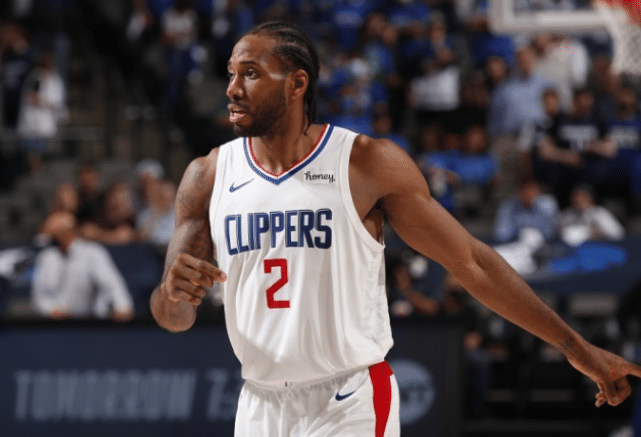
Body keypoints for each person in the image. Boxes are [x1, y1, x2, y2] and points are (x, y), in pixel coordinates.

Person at [150, 21, 641, 437]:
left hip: (347, 400)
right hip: (258, 405)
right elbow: (172, 317)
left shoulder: (364, 163)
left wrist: (575, 347)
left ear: (297, 84)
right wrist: (171, 293)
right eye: (231, 73)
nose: (232, 88)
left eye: (251, 73)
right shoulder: (207, 176)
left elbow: (471, 262)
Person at [31, 210, 135, 321]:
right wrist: (51, 309)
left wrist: (123, 307)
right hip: (55, 324)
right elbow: (39, 295)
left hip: (88, 323)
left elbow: (111, 283)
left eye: (54, 231)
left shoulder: (92, 252)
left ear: (66, 232)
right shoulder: (47, 257)